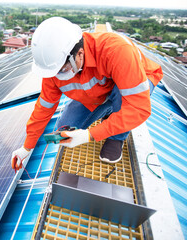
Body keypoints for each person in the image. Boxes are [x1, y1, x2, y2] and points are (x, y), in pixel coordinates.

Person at [11, 17, 163, 171]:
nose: (59, 75)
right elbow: (44, 107)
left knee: (122, 100)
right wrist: (27, 147)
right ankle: (111, 110)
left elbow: (139, 108)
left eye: (63, 69)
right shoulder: (54, 69)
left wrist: (90, 134)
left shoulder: (115, 50)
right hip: (98, 93)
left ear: (80, 53)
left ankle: (117, 137)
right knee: (63, 130)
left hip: (133, 83)